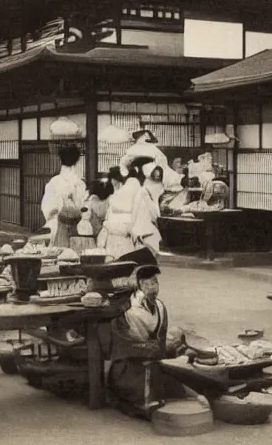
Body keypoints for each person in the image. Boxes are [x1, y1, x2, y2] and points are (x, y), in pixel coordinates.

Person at [107, 265, 190, 418]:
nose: (152, 288)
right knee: (150, 385)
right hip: (132, 364)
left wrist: (168, 346)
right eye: (147, 284)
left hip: (157, 357)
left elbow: (161, 338)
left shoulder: (160, 306)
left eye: (155, 283)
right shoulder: (127, 311)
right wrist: (152, 348)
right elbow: (124, 345)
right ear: (139, 286)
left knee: (179, 364)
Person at [98, 162, 161, 259]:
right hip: (131, 237)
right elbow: (155, 215)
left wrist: (107, 225)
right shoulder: (142, 192)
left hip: (113, 237)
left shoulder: (115, 196)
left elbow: (107, 217)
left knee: (113, 262)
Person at [41, 144, 87, 247]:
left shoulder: (54, 182)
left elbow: (47, 208)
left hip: (56, 225)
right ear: (76, 161)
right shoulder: (80, 183)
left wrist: (58, 209)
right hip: (76, 227)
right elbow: (82, 206)